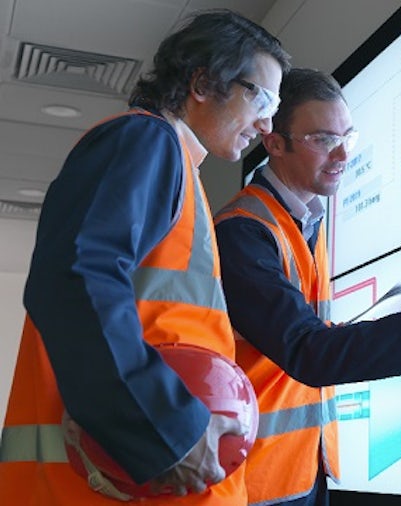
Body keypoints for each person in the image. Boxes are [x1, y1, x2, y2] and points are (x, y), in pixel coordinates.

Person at [0, 10, 290, 505]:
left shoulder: (180, 170)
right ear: (203, 82)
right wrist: (166, 429)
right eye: (261, 98)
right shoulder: (146, 141)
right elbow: (76, 280)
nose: (267, 122)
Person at [213, 68, 401, 506]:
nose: (341, 156)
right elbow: (307, 352)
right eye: (321, 140)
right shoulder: (243, 232)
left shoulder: (304, 220)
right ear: (274, 143)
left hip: (300, 473)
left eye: (346, 138)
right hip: (256, 484)